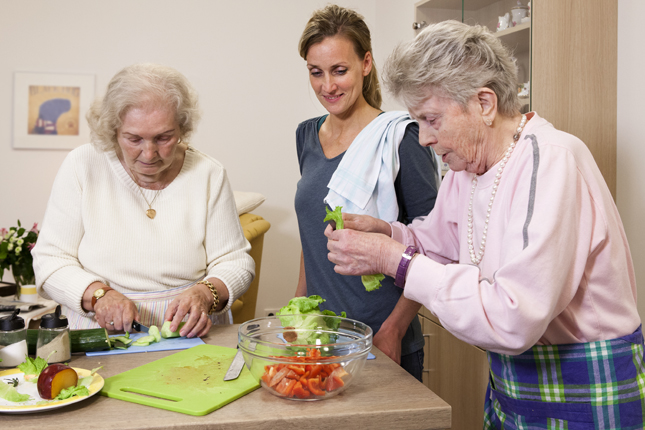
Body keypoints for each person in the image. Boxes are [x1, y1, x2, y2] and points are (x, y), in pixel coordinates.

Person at [325, 20, 644, 428]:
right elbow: (437, 244)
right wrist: (388, 234)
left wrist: (396, 261)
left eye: (432, 120)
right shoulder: (467, 169)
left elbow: (514, 319)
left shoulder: (550, 160)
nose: (423, 138)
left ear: (485, 104)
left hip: (585, 380)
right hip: (513, 380)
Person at [33, 63, 254, 338]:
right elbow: (50, 260)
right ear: (113, 130)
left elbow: (236, 262)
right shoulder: (83, 165)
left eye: (163, 138)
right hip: (99, 333)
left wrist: (205, 293)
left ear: (182, 129)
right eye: (134, 138)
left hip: (190, 333)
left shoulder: (208, 173)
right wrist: (99, 295)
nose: (149, 154)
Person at [294, 5, 440, 382]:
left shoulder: (402, 138)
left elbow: (435, 246)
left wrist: (392, 330)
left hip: (383, 336)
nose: (328, 86)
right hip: (322, 336)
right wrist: (296, 309)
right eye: (316, 72)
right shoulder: (306, 136)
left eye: (339, 70)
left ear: (366, 63)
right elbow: (313, 233)